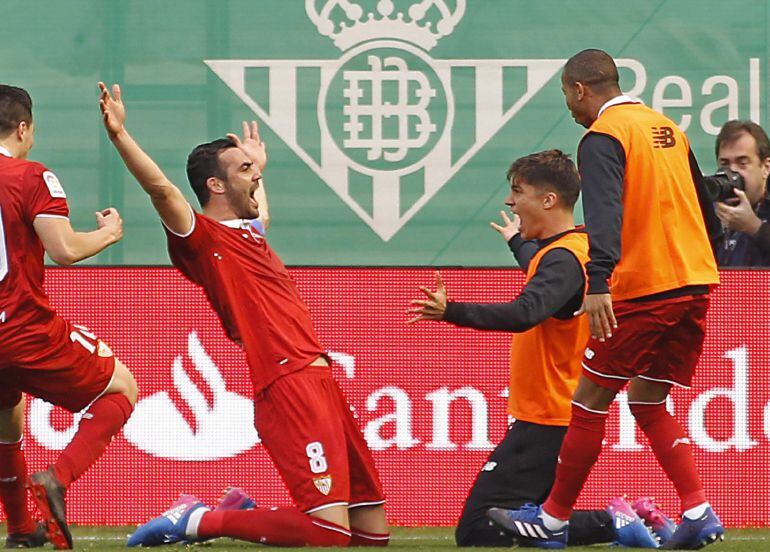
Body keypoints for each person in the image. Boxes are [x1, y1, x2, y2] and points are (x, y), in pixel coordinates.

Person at [97, 82, 389, 548]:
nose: (256, 176)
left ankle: (235, 510)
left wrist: (257, 167)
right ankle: (199, 519)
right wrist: (119, 136)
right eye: (244, 170)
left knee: (372, 536)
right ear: (215, 184)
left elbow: (259, 215)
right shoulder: (204, 238)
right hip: (287, 383)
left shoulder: (250, 233)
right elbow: (162, 190)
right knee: (328, 534)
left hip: (323, 382)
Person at [489, 50, 724, 550]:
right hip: (695, 283)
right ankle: (698, 510)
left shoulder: (601, 136)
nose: (571, 109)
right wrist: (705, 267)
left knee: (588, 401)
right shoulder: (666, 129)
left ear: (580, 90)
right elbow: (704, 208)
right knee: (647, 399)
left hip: (646, 287)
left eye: (567, 97)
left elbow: (604, 211)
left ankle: (553, 519)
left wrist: (598, 283)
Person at [408, 150, 667, 549]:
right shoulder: (576, 246)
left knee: (479, 528)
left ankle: (615, 520)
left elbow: (527, 312)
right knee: (530, 521)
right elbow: (544, 271)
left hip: (547, 419)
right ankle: (625, 519)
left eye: (518, 192)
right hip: (559, 415)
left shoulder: (562, 260)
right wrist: (516, 242)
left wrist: (450, 311)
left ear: (548, 200)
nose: (511, 201)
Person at [0, 84, 137, 549]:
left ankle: (21, 529)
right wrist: (109, 233)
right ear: (23, 128)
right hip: (19, 329)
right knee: (121, 387)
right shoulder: (30, 176)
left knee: (6, 421)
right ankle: (56, 479)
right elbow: (65, 250)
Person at [713, 120, 770, 266]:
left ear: (766, 167)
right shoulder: (707, 212)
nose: (733, 172)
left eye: (742, 163)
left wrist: (754, 227)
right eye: (725, 164)